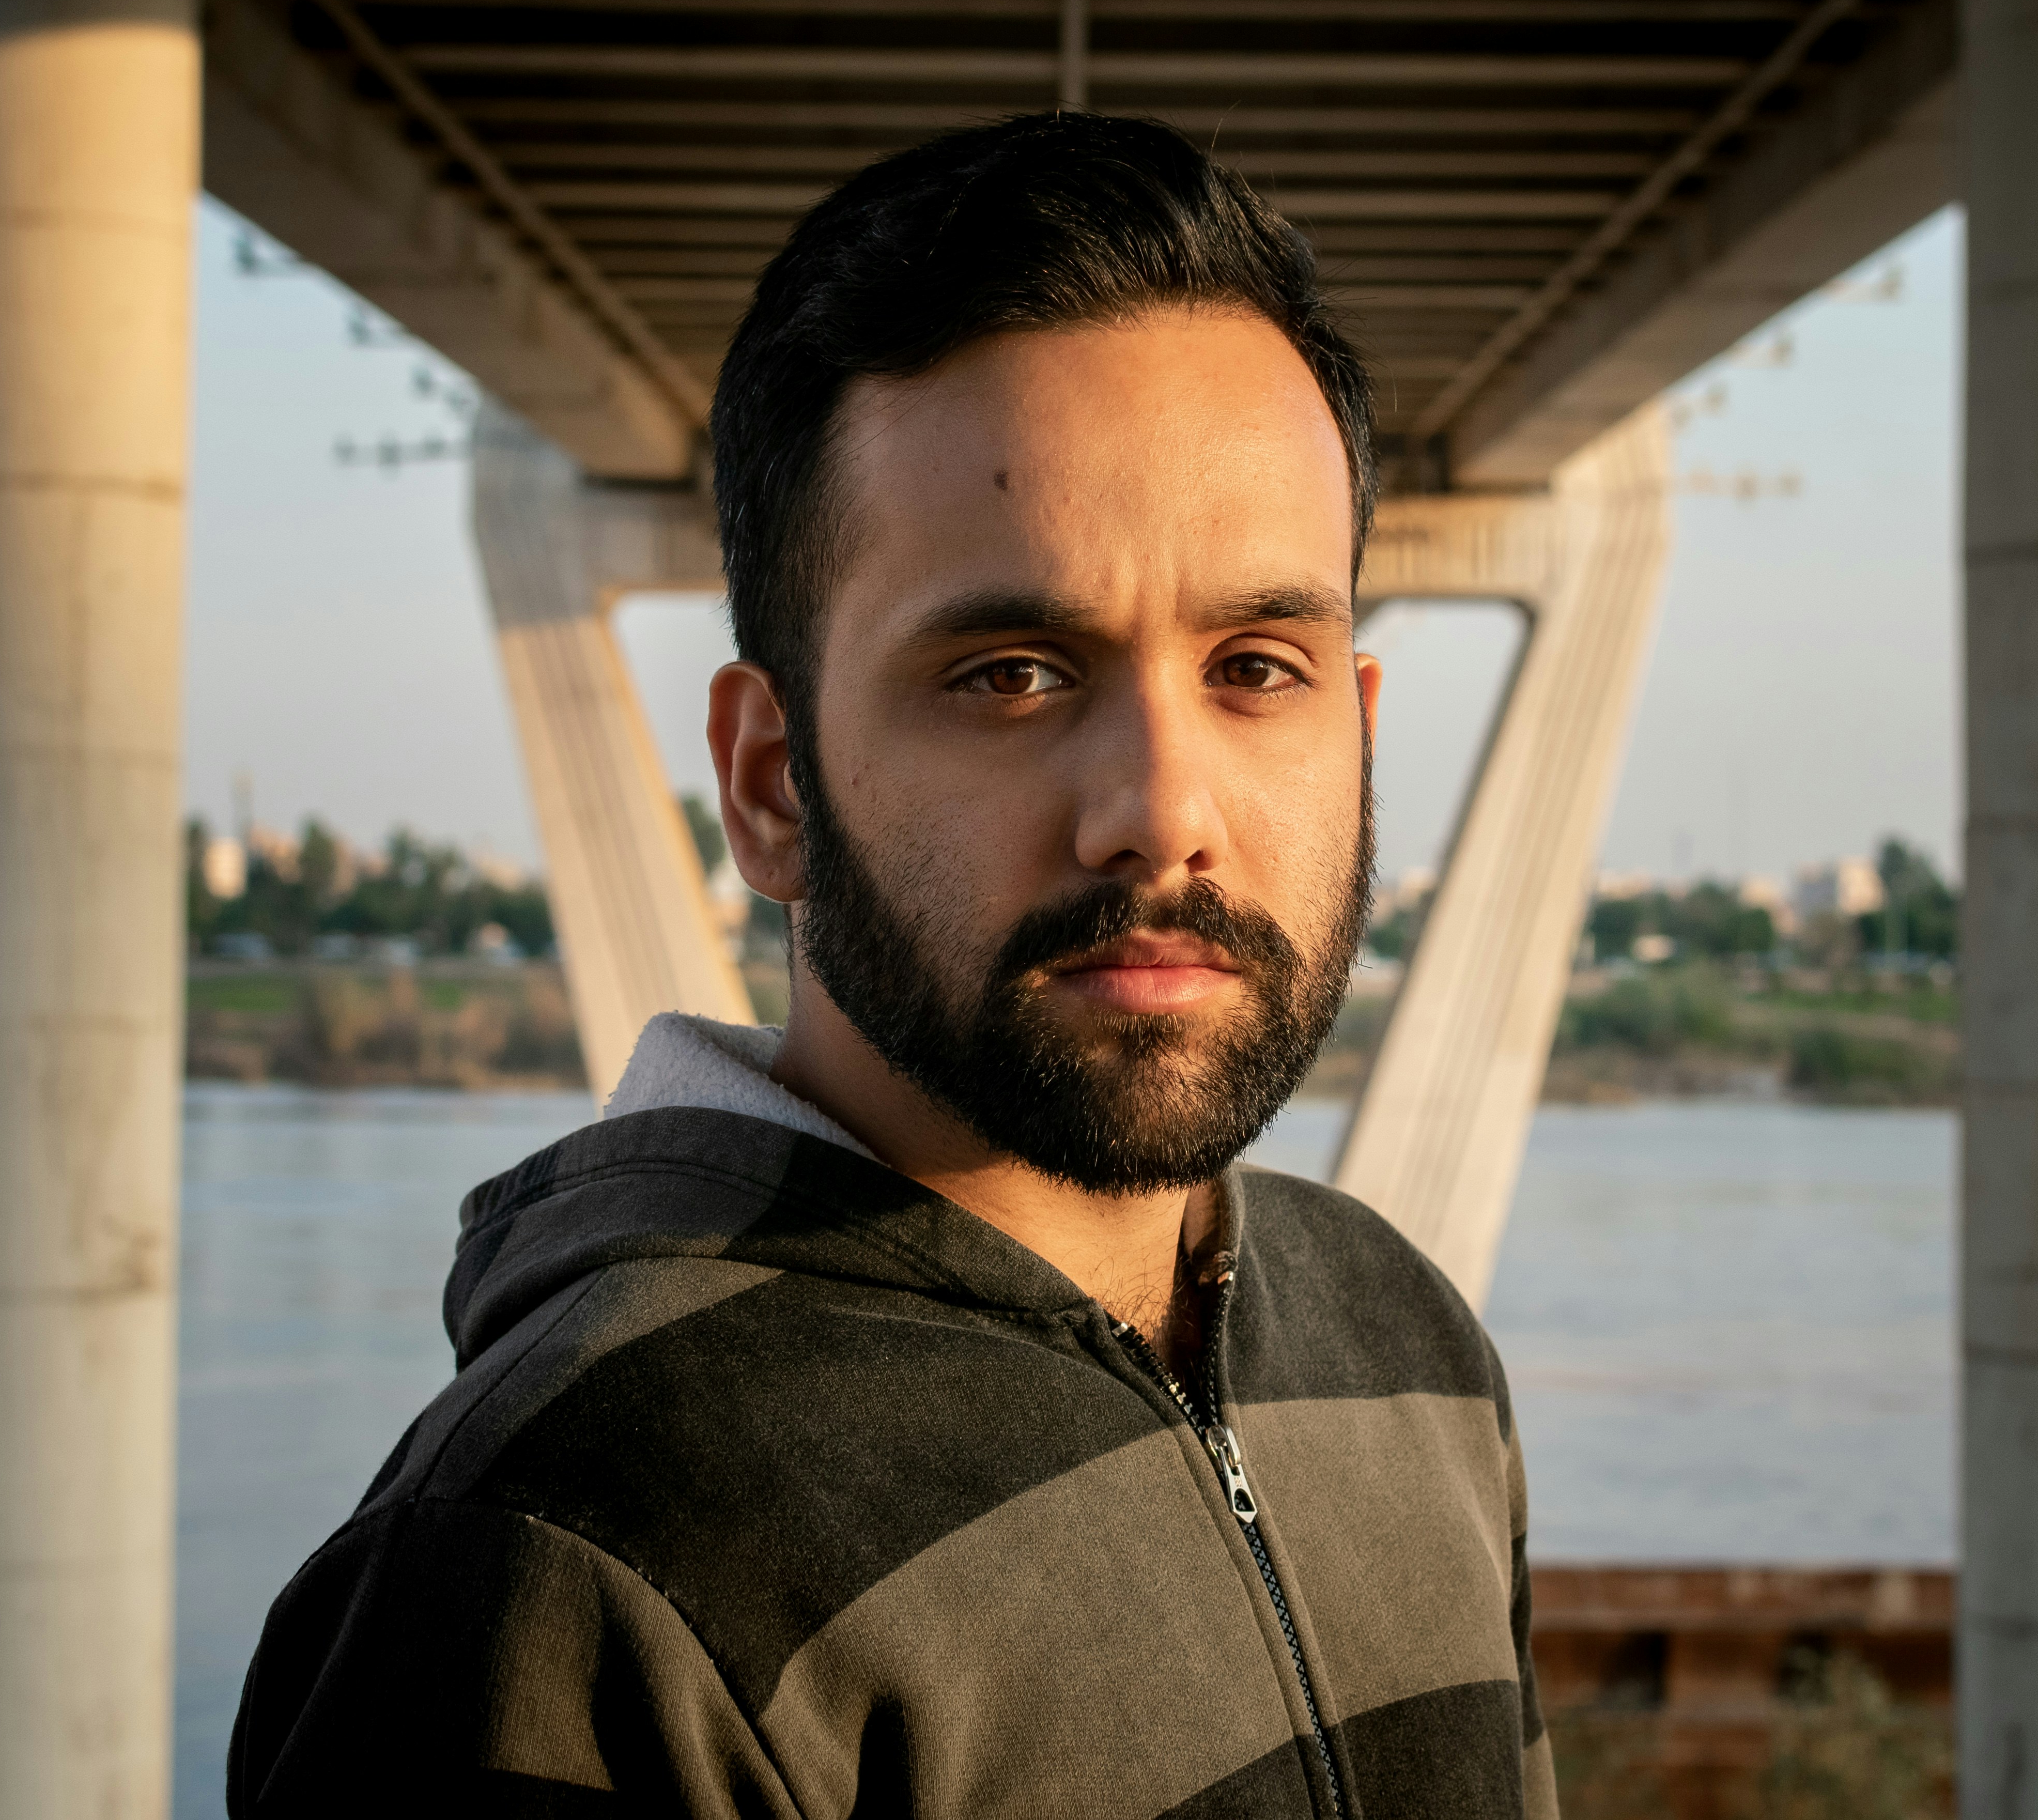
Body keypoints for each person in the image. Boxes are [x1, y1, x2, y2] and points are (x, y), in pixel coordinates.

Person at [228, 113, 1552, 1818]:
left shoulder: (1405, 1345)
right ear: (772, 785)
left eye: (1254, 666)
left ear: (1357, 731)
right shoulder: (560, 1558)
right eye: (1012, 673)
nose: (1162, 816)